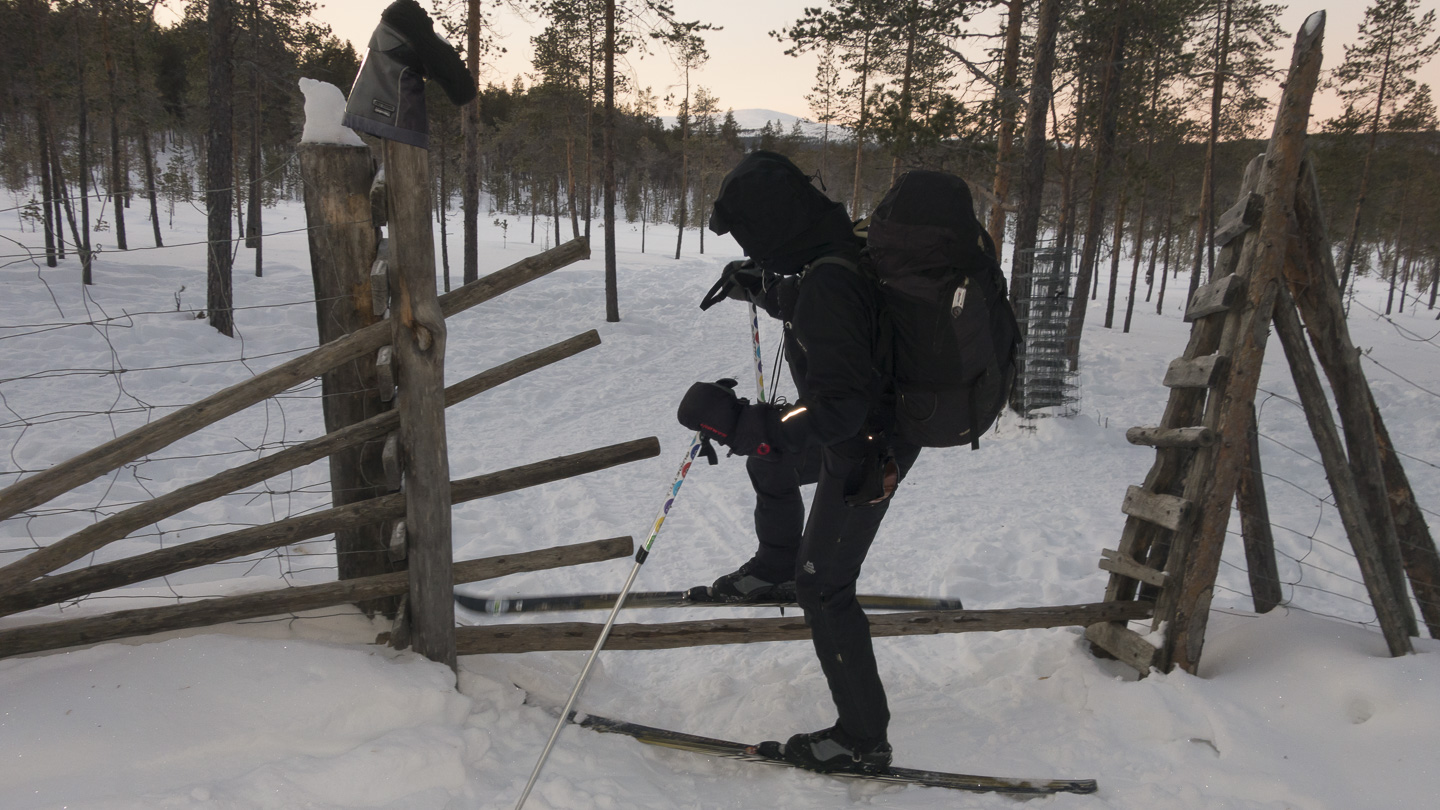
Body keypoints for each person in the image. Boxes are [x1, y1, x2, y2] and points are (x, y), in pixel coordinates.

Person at [676, 151, 921, 775]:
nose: (750, 244)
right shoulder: (838, 248)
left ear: (772, 225)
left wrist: (742, 424)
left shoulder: (828, 280)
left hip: (866, 450)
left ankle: (863, 740)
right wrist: (766, 288)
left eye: (750, 234)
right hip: (861, 428)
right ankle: (775, 566)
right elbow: (836, 304)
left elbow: (839, 408)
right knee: (772, 466)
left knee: (826, 588)